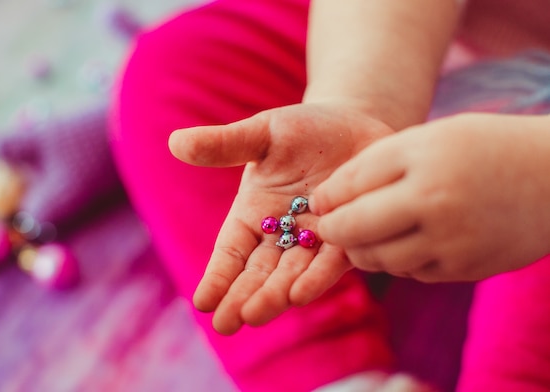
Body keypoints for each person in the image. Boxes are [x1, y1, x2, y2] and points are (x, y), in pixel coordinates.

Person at [110, 0, 550, 390]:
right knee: (177, 66)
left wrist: (533, 180)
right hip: (454, 50)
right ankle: (340, 380)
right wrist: (357, 102)